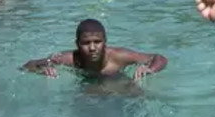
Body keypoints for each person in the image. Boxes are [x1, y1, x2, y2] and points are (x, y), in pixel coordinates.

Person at [20, 18, 168, 80]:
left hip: (118, 82)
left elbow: (159, 57)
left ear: (105, 42)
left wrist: (150, 69)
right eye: (86, 43)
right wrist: (41, 70)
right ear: (77, 44)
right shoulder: (70, 58)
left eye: (97, 42)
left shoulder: (119, 56)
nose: (92, 48)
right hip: (89, 87)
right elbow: (27, 65)